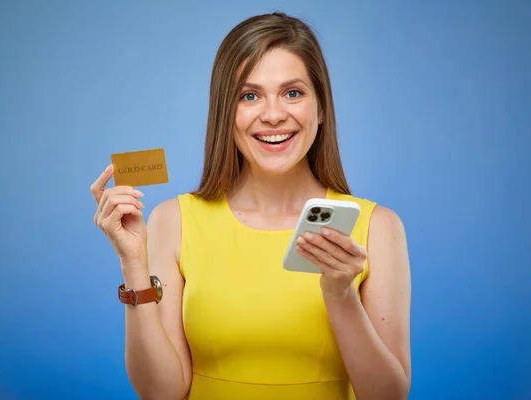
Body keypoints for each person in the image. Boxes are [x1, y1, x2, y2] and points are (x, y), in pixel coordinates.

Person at [91, 12, 411, 400]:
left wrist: (341, 296)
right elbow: (161, 393)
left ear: (321, 108)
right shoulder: (173, 220)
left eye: (293, 92)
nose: (274, 114)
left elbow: (388, 396)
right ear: (226, 113)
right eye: (250, 95)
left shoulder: (377, 227)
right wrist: (133, 264)